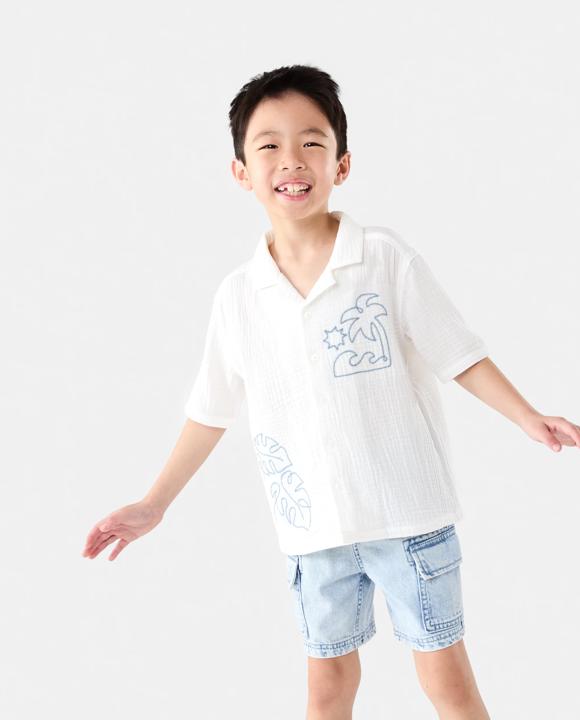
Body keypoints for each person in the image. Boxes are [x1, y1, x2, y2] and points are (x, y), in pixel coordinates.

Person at [82, 64, 580, 720]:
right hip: (314, 532)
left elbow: (457, 352)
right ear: (241, 172)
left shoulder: (383, 258)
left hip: (408, 518)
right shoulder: (239, 296)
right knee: (327, 689)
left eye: (311, 142)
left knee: (448, 685)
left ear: (341, 164)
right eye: (269, 145)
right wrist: (154, 504)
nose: (292, 159)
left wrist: (525, 416)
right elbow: (209, 412)